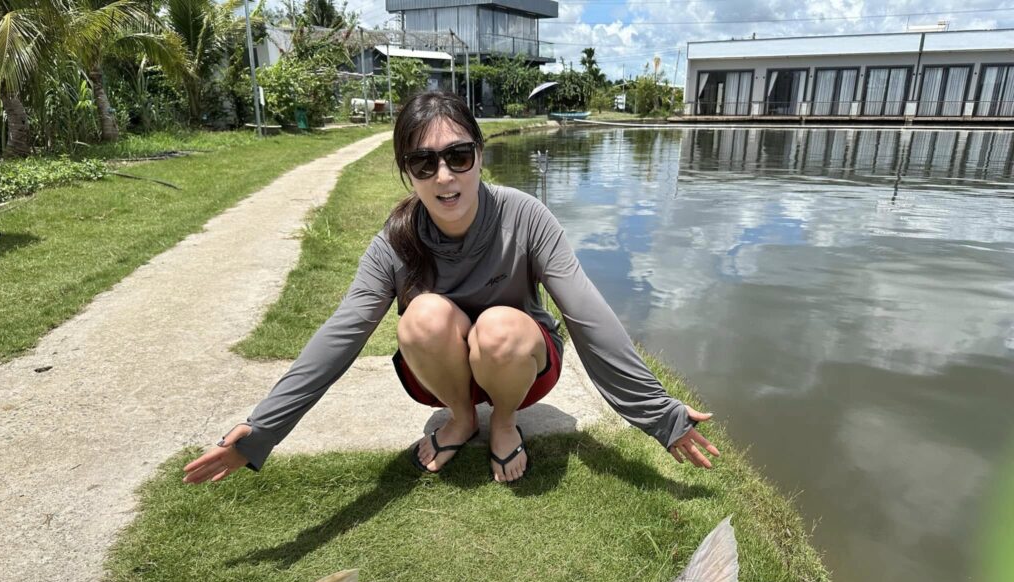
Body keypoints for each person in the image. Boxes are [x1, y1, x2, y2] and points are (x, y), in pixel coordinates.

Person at [183, 91, 719, 486]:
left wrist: (658, 412)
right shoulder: (394, 242)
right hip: (438, 372)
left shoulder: (525, 216)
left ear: (480, 156)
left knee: (501, 327)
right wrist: (262, 431)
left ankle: (504, 423)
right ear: (408, 174)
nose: (445, 176)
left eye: (458, 156)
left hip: (521, 365)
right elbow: (340, 336)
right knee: (422, 317)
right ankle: (462, 418)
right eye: (424, 162)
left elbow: (586, 312)